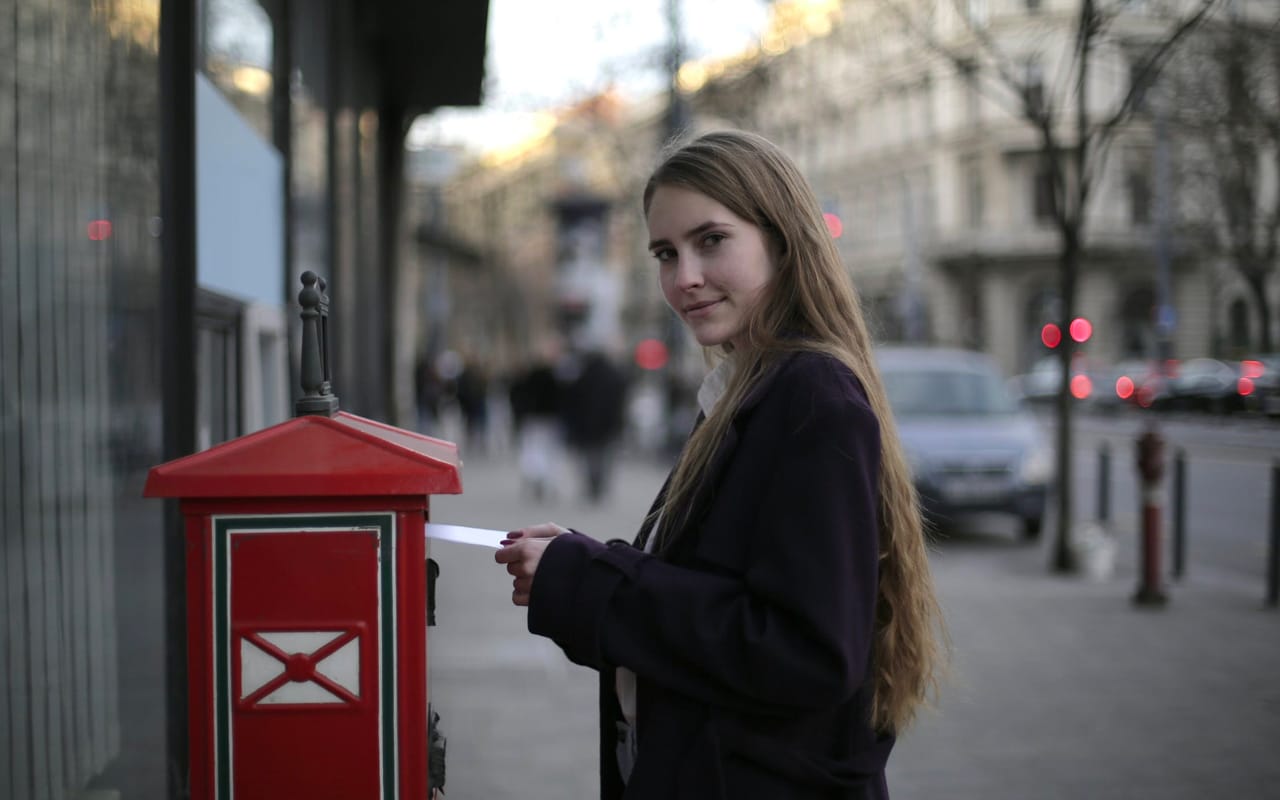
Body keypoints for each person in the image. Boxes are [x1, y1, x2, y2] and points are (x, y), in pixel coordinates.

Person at [495, 130, 947, 799]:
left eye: (711, 241)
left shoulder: (808, 395)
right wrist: (581, 563)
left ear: (783, 239)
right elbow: (720, 587)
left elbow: (806, 652)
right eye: (665, 253)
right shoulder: (753, 389)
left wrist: (590, 583)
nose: (685, 278)